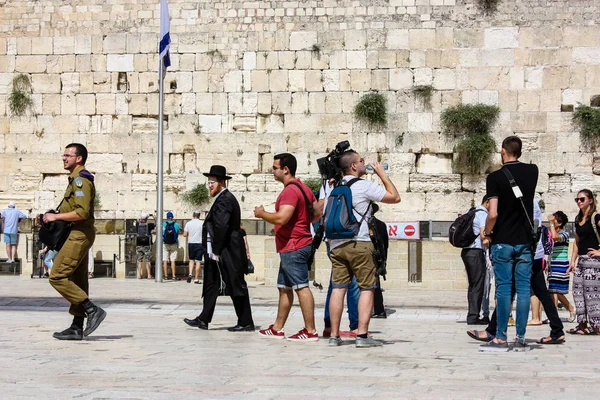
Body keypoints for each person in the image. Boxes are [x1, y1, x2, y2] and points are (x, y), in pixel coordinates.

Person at [327, 150, 400, 348]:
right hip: (359, 243)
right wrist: (382, 175)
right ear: (353, 166)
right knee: (367, 288)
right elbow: (395, 197)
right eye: (361, 161)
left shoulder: (334, 188)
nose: (364, 163)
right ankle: (362, 335)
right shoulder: (363, 186)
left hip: (336, 245)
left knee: (338, 289)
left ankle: (334, 336)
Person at [468, 198, 566, 346]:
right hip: (529, 253)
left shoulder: (526, 200)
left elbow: (533, 229)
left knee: (509, 290)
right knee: (533, 292)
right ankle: (557, 330)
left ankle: (493, 330)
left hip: (528, 254)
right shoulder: (528, 198)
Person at [480, 136, 539, 351]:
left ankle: (501, 336)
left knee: (504, 289)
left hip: (503, 241)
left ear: (503, 150)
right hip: (524, 241)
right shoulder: (533, 172)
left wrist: (487, 232)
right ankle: (521, 337)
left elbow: (493, 213)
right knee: (523, 288)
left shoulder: (495, 177)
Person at [255, 153, 322, 341]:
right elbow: (316, 213)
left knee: (301, 287)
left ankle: (310, 331)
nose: (272, 170)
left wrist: (262, 213)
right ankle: (277, 328)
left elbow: (281, 218)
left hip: (294, 245)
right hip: (291, 245)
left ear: (286, 169)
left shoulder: (290, 191)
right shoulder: (304, 188)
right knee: (284, 288)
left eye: (275, 167)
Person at [43, 143, 106, 340]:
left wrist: (56, 218)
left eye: (68, 155)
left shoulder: (81, 180)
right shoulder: (75, 180)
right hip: (76, 234)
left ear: (79, 158)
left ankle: (91, 309)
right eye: (64, 155)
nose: (64, 158)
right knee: (78, 280)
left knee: (57, 276)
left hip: (79, 234)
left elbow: (81, 212)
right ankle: (77, 326)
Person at [183, 165, 254, 332]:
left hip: (226, 251)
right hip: (218, 251)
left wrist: (216, 250)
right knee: (211, 284)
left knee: (236, 285)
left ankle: (246, 322)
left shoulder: (225, 200)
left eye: (212, 182)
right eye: (208, 182)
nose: (209, 185)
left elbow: (222, 227)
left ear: (222, 182)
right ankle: (203, 319)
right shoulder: (223, 199)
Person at [567, 189, 600, 335]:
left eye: (582, 199)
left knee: (592, 294)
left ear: (590, 200)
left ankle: (597, 325)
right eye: (577, 199)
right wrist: (572, 261)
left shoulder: (596, 217)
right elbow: (577, 242)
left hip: (593, 262)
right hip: (581, 261)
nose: (579, 202)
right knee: (578, 293)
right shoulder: (578, 219)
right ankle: (582, 324)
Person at [461, 195, 490, 325]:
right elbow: (484, 235)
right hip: (476, 251)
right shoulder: (483, 214)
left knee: (473, 284)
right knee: (478, 284)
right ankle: (473, 317)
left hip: (467, 251)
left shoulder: (472, 211)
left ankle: (472, 315)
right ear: (488, 202)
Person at [547, 211, 576, 322]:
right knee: (554, 291)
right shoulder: (553, 233)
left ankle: (554, 316)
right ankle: (570, 309)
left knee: (555, 291)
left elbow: (555, 237)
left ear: (559, 223)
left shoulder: (564, 234)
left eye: (555, 219)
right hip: (553, 265)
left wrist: (551, 223)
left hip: (560, 265)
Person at [371, 203, 389, 319]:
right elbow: (386, 245)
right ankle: (379, 309)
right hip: (378, 257)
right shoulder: (381, 224)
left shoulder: (364, 224)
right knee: (375, 283)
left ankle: (378, 309)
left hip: (368, 256)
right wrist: (384, 260)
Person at [184, 211, 203, 284]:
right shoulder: (201, 223)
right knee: (198, 261)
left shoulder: (188, 223)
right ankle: (196, 278)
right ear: (199, 216)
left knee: (191, 260)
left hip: (191, 243)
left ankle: (190, 274)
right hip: (199, 243)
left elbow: (185, 234)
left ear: (193, 215)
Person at [135, 212, 155, 279]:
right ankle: (149, 275)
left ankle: (139, 275)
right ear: (146, 219)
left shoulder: (137, 224)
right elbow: (157, 222)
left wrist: (141, 218)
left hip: (139, 244)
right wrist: (151, 215)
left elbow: (137, 219)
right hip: (147, 245)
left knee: (139, 260)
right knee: (148, 260)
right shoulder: (149, 225)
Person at [162, 211, 180, 280]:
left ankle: (166, 276)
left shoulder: (163, 224)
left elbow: (162, 234)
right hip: (174, 243)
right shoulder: (176, 225)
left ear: (167, 218)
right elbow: (178, 233)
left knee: (165, 260)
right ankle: (173, 276)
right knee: (173, 260)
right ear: (172, 217)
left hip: (165, 244)